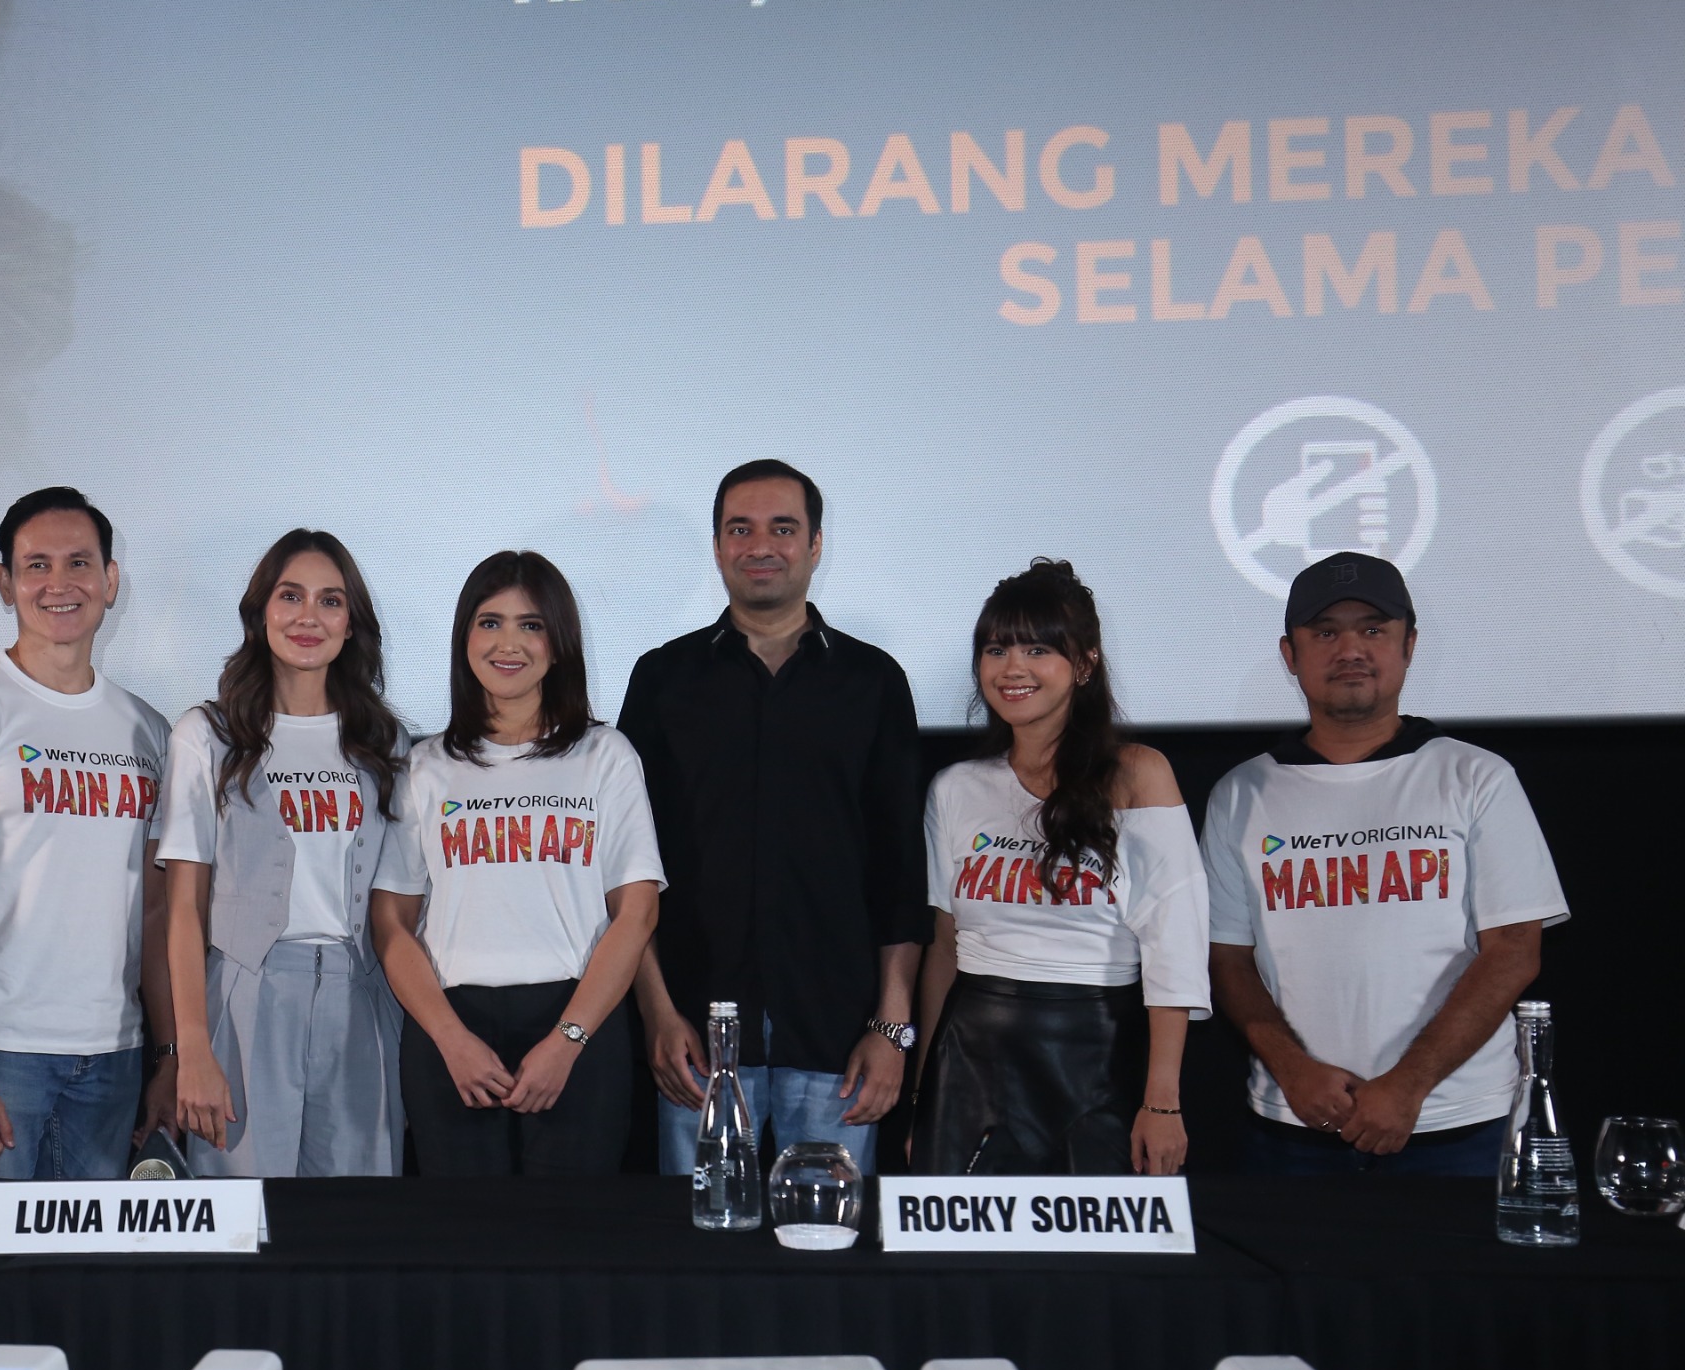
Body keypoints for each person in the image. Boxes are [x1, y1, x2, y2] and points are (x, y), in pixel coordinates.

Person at [1203, 552, 1568, 1174]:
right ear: (1291, 655)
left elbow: (1513, 949)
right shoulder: (1241, 794)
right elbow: (1226, 958)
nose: (1351, 649)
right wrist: (1293, 1069)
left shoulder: (1475, 777)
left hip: (1457, 1122)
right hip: (1295, 1121)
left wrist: (1408, 1085)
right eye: (1325, 633)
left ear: (1409, 646)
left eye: (1373, 629)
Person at [618, 460, 927, 1176]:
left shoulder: (873, 682)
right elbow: (630, 867)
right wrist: (656, 1013)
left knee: (826, 1242)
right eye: (740, 529)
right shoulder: (663, 679)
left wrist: (891, 1029)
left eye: (783, 528)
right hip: (694, 1037)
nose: (761, 545)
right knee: (699, 1239)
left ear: (815, 545)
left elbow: (900, 872)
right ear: (718, 546)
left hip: (837, 1036)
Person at [0, 487, 175, 1178]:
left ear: (110, 579)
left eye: (79, 563)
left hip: (113, 1054)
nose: (58, 583)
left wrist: (167, 1054)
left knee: (90, 1253)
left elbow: (158, 912)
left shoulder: (150, 729)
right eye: (36, 565)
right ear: (5, 582)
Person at [370, 552, 664, 1175]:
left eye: (531, 625)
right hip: (452, 1033)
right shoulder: (425, 766)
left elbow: (636, 914)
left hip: (579, 1024)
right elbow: (392, 925)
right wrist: (450, 1040)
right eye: (490, 622)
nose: (509, 643)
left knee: (571, 1230)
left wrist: (568, 1040)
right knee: (465, 1230)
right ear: (465, 638)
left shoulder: (605, 755)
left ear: (560, 643)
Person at [911, 561, 1208, 1176]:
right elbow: (943, 948)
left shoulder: (1139, 774)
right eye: (996, 649)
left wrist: (1163, 1101)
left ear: (1085, 664)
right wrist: (922, 1098)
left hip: (1098, 1056)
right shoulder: (955, 787)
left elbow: (1174, 946)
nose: (1012, 668)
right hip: (970, 1059)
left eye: (1038, 649)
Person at [157, 530, 410, 1176]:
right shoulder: (207, 735)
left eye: (330, 601)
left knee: (356, 1212)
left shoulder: (384, 742)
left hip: (360, 997)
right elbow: (183, 908)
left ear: (351, 622)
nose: (308, 617)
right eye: (290, 596)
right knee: (242, 1211)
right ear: (260, 611)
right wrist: (192, 1048)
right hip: (245, 996)